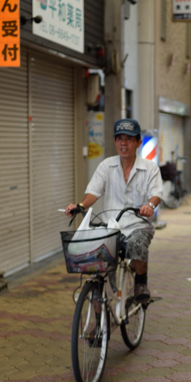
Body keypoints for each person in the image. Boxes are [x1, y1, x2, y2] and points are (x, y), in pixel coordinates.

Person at [66, 119, 161, 302]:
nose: (123, 143)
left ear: (138, 142)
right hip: (111, 226)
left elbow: (156, 194)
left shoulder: (150, 168)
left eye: (129, 139)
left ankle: (140, 282)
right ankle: (98, 318)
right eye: (119, 139)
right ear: (115, 141)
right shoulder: (106, 166)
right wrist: (80, 206)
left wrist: (150, 206)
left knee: (136, 244)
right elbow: (93, 192)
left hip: (137, 226)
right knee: (97, 268)